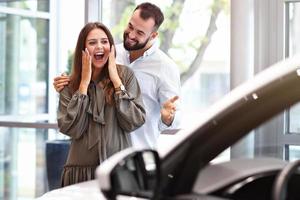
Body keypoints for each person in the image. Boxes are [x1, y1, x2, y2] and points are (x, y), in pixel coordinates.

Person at [54, 2, 181, 149]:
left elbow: (176, 117)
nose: (131, 35)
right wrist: (65, 86)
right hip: (103, 155)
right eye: (130, 26)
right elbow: (88, 89)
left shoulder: (165, 67)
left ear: (153, 35)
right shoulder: (110, 53)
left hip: (137, 153)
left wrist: (167, 118)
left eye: (140, 33)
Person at [57, 22, 146, 186]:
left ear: (111, 47)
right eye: (92, 43)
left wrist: (116, 81)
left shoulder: (126, 76)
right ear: (83, 49)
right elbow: (71, 129)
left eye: (104, 41)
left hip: (119, 171)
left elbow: (135, 121)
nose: (100, 47)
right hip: (79, 173)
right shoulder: (69, 84)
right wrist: (83, 85)